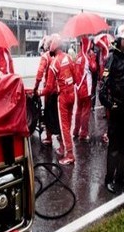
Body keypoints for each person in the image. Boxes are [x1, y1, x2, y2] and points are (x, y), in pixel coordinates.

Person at [99, 25, 124, 193]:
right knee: (114, 147)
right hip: (116, 111)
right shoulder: (111, 59)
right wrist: (110, 105)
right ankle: (109, 179)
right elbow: (102, 89)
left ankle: (121, 176)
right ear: (119, 40)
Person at [40, 34, 79, 165]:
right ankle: (63, 148)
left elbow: (49, 88)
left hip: (62, 97)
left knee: (64, 127)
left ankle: (70, 155)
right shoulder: (69, 58)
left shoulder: (54, 63)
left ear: (53, 49)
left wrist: (38, 92)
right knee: (67, 124)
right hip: (72, 95)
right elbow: (76, 77)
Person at [33, 35, 60, 145]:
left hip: (49, 90)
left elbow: (39, 73)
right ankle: (60, 136)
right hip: (59, 90)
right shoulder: (59, 56)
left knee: (48, 114)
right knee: (58, 114)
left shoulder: (46, 56)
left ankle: (49, 137)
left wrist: (36, 87)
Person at [73, 36, 97, 141]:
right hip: (86, 88)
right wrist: (93, 57)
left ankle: (76, 131)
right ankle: (83, 133)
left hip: (78, 88)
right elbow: (94, 68)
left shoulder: (78, 56)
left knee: (78, 109)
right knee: (85, 111)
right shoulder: (87, 57)